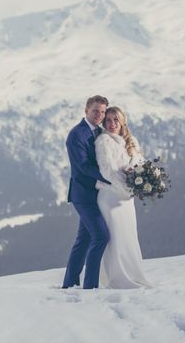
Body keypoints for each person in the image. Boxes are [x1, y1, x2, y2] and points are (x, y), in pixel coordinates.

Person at [95, 106, 151, 288]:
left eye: (115, 120)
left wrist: (136, 179)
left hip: (126, 200)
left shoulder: (131, 141)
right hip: (111, 196)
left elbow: (139, 163)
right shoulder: (103, 140)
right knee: (115, 238)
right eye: (108, 120)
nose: (111, 124)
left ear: (122, 121)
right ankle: (117, 280)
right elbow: (107, 170)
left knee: (129, 237)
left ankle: (134, 275)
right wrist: (128, 188)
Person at [62, 95, 112, 289]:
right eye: (95, 111)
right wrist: (111, 178)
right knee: (101, 236)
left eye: (102, 111)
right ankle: (90, 287)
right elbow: (83, 166)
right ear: (86, 111)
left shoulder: (101, 132)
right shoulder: (76, 134)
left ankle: (69, 284)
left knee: (84, 240)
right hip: (83, 195)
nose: (99, 115)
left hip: (98, 194)